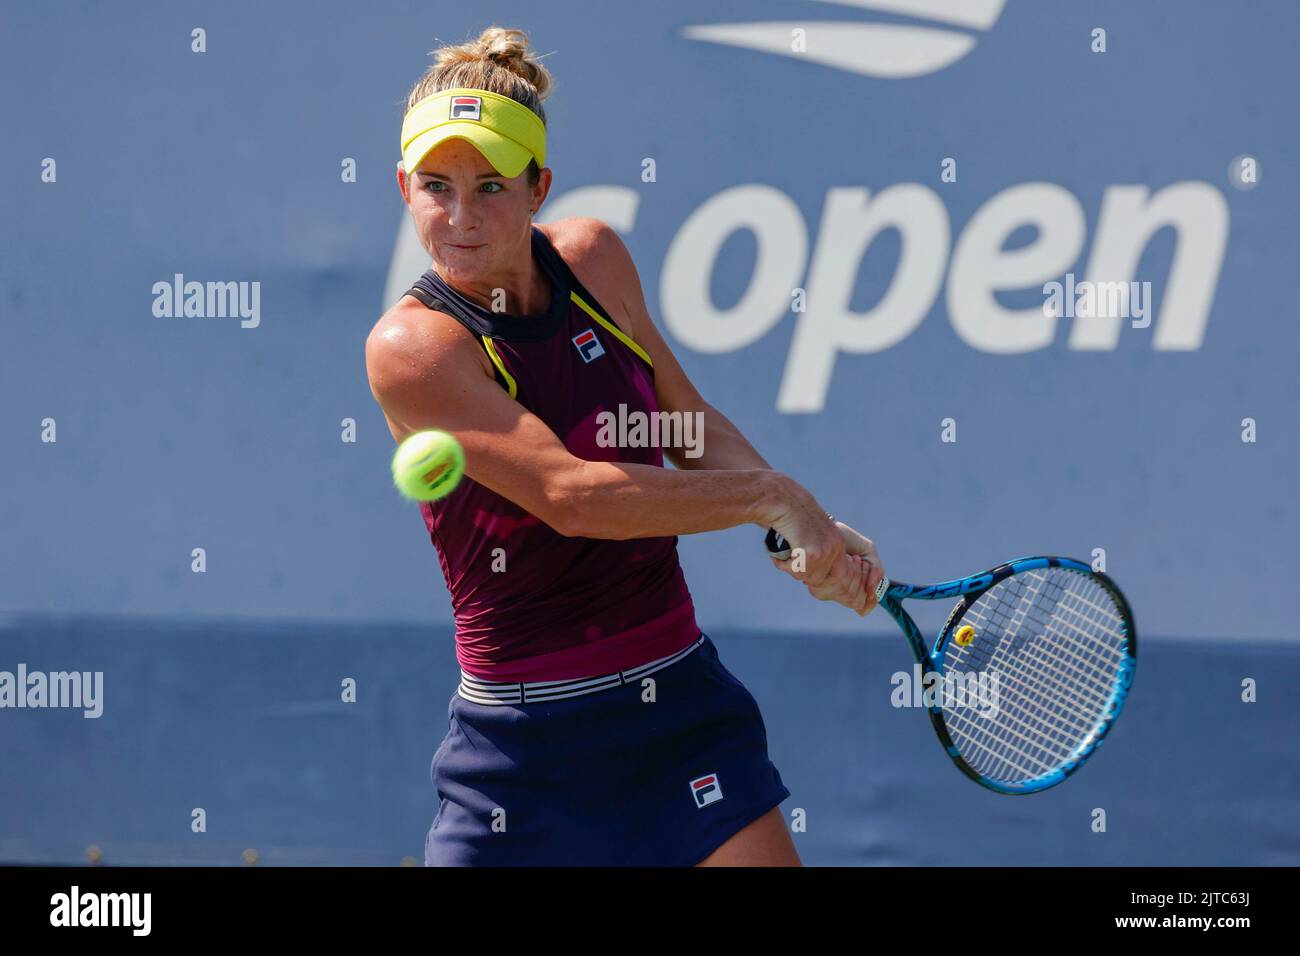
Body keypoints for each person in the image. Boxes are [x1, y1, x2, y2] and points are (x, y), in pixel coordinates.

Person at [366, 25, 885, 866]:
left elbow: (679, 425)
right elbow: (574, 496)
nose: (459, 218)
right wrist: (774, 497)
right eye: (435, 186)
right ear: (402, 186)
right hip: (521, 750)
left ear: (540, 186)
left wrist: (802, 525)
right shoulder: (413, 350)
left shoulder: (595, 260)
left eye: (491, 186)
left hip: (677, 711)